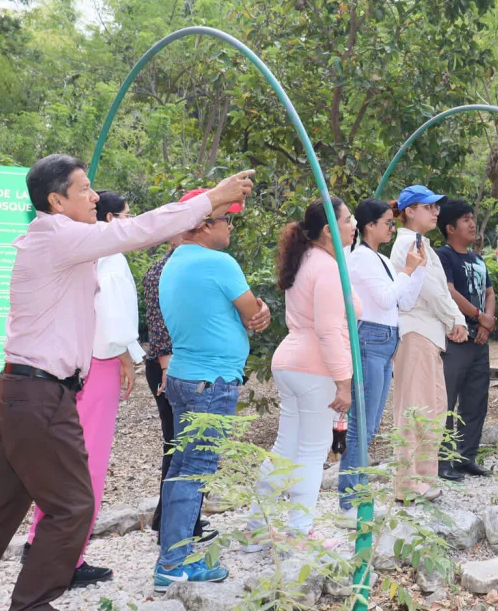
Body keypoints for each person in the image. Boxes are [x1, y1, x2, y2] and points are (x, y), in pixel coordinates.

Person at [0, 156, 253, 611]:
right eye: (85, 189)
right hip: (39, 396)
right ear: (56, 200)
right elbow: (138, 231)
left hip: (24, 391)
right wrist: (210, 200)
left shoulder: (54, 240)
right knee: (73, 507)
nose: (95, 197)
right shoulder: (60, 237)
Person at [21, 192, 145, 589]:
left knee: (65, 460)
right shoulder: (104, 248)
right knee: (87, 463)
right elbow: (112, 313)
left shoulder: (67, 243)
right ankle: (66, 558)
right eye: (126, 215)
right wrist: (125, 353)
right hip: (98, 360)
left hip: (74, 362)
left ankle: (41, 543)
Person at [155, 188, 272, 590]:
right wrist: (262, 313)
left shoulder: (173, 263)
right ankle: (174, 564)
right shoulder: (220, 263)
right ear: (205, 224)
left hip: (184, 378)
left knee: (179, 469)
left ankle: (170, 556)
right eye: (226, 219)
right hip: (212, 383)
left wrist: (255, 315)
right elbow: (253, 314)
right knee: (196, 472)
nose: (230, 227)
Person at [243, 197, 359, 547]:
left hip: (292, 362)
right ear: (329, 230)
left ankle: (256, 527)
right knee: (313, 450)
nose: (354, 224)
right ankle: (300, 530)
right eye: (349, 219)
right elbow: (327, 330)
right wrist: (344, 382)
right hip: (314, 367)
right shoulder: (325, 268)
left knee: (286, 448)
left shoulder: (309, 260)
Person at [339, 198, 427, 514]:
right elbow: (385, 297)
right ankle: (351, 500)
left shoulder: (379, 260)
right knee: (362, 425)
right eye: (388, 223)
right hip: (370, 340)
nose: (392, 228)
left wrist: (415, 270)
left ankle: (356, 496)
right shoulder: (360, 258)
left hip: (386, 340)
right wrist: (407, 269)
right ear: (369, 226)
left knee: (371, 425)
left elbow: (403, 301)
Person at [389, 186, 468, 502]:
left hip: (427, 335)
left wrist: (452, 318)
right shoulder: (410, 244)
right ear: (410, 211)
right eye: (429, 207)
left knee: (432, 408)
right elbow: (433, 292)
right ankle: (408, 486)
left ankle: (423, 480)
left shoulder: (420, 243)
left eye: (437, 207)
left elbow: (438, 291)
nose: (436, 212)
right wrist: (456, 319)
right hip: (416, 334)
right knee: (415, 410)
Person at [142, 234, 215, 544]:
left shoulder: (189, 267)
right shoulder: (164, 270)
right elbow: (159, 328)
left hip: (184, 366)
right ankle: (181, 529)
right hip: (172, 367)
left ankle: (170, 519)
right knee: (182, 447)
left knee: (181, 446)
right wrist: (166, 370)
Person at [436, 200, 496, 478]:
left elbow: (489, 292)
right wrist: (477, 315)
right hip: (455, 339)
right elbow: (448, 291)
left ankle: (465, 456)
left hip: (479, 341)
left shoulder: (478, 258)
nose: (472, 224)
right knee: (446, 400)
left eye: (473, 218)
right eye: (465, 220)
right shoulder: (443, 256)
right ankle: (443, 460)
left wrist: (488, 320)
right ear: (449, 228)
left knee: (476, 400)